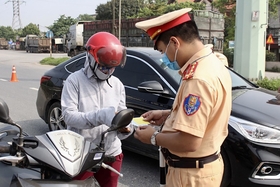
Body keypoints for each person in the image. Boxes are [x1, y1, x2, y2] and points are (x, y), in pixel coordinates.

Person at [134, 8, 232, 187]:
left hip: (190, 177)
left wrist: (154, 137)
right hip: (203, 170)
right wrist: (168, 114)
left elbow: (189, 141)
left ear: (174, 43)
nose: (164, 58)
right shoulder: (213, 63)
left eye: (163, 51)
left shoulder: (198, 79)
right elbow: (205, 115)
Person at [61, 32, 133, 187]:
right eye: (103, 67)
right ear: (90, 57)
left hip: (111, 152)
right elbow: (69, 116)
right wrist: (101, 116)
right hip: (81, 153)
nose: (107, 72)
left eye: (112, 68)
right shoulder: (74, 81)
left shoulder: (117, 84)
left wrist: (125, 127)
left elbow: (121, 114)